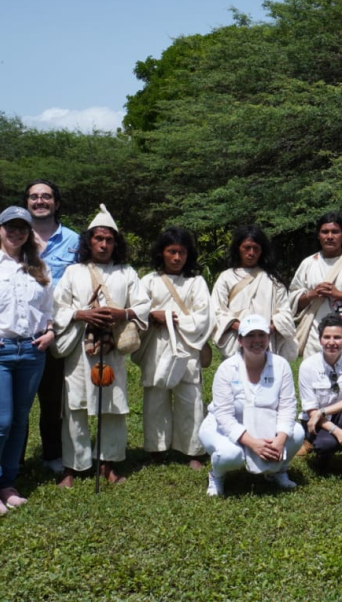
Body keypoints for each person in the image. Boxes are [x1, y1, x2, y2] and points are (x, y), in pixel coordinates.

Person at [52, 204, 151, 487]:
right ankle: (74, 467)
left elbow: (143, 304)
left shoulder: (127, 272)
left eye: (109, 239)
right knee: (75, 405)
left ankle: (109, 464)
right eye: (99, 238)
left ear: (115, 243)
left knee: (113, 406)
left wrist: (124, 314)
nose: (104, 244)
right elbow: (58, 306)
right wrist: (82, 313)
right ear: (89, 241)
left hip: (112, 350)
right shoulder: (74, 272)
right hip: (80, 352)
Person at [0, 207, 55, 515]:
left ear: (29, 232)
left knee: (19, 422)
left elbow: (47, 312)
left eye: (22, 228)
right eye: (10, 227)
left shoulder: (40, 267)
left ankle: (7, 484)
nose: (16, 233)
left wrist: (51, 332)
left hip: (32, 352)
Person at [199, 314, 304, 496]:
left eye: (261, 335)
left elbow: (288, 407)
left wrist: (279, 441)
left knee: (297, 432)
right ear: (240, 340)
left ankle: (278, 471)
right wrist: (252, 443)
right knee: (231, 454)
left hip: (264, 423)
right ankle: (217, 475)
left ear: (268, 339)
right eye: (250, 336)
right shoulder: (226, 368)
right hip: (221, 426)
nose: (257, 341)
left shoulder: (281, 366)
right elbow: (224, 416)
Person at [136, 227, 215, 468]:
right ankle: (156, 449)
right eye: (172, 251)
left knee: (190, 398)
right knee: (155, 397)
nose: (177, 258)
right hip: (156, 345)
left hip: (186, 345)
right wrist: (152, 316)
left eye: (181, 252)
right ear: (162, 253)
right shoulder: (148, 280)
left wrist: (172, 318)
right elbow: (138, 310)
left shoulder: (196, 282)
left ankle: (193, 451)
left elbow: (204, 315)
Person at [22, 180, 80, 475]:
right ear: (27, 202)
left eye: (46, 197)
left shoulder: (74, 241)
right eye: (34, 197)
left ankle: (52, 455)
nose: (40, 201)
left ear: (57, 203)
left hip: (57, 332)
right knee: (17, 401)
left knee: (53, 398)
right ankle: (14, 460)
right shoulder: (15, 236)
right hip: (19, 332)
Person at [290, 212, 342, 359]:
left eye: (335, 232)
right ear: (318, 235)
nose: (330, 236)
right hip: (315, 336)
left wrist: (340, 295)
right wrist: (312, 294)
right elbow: (291, 299)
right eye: (325, 232)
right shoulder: (309, 263)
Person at [297, 314, 342, 481]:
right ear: (320, 339)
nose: (331, 342)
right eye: (326, 337)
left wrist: (323, 411)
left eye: (337, 337)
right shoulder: (308, 366)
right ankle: (323, 456)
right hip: (317, 421)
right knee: (326, 444)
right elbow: (311, 411)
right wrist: (336, 431)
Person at [211, 225, 296, 361]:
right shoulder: (226, 278)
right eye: (246, 248)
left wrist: (266, 329)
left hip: (266, 345)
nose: (251, 253)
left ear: (262, 251)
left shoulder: (273, 279)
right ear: (238, 248)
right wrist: (241, 328)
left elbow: (285, 313)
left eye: (256, 248)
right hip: (236, 343)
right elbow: (216, 311)